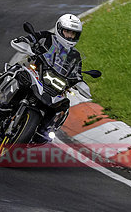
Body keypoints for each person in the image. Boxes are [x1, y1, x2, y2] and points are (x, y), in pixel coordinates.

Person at [15, 13, 84, 142]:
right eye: (67, 31)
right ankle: (0, 96)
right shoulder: (47, 37)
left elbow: (77, 72)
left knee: (64, 105)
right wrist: (26, 41)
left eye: (73, 33)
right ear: (59, 29)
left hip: (53, 86)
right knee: (18, 74)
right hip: (35, 72)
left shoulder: (75, 56)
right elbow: (32, 37)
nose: (69, 36)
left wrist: (80, 81)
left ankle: (44, 131)